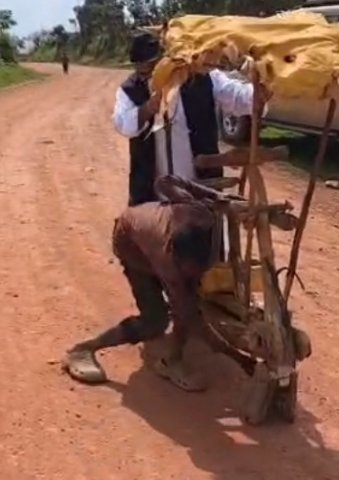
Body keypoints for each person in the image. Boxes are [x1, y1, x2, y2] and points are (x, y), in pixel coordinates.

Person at [63, 175, 255, 392]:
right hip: (130, 243)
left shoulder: (203, 216)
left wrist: (213, 195)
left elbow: (164, 182)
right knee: (156, 321)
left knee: (190, 294)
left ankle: (174, 354)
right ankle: (86, 348)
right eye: (187, 269)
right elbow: (187, 314)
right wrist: (237, 357)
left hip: (149, 225)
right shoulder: (166, 260)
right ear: (175, 256)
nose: (192, 273)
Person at [113, 31, 265, 207]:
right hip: (153, 194)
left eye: (151, 69)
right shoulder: (130, 89)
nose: (147, 78)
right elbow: (123, 124)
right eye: (141, 72)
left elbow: (236, 96)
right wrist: (147, 109)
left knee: (205, 230)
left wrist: (259, 93)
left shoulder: (203, 77)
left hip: (201, 186)